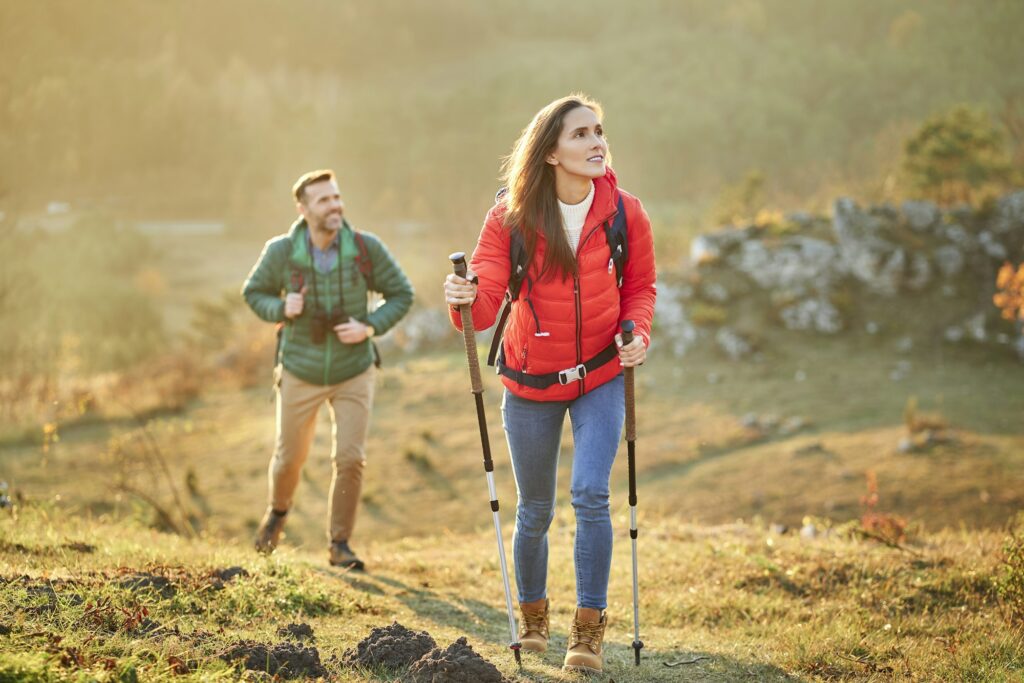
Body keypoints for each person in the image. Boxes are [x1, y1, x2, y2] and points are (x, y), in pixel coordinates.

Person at [443, 95, 656, 673]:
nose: (596, 143)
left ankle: (588, 630)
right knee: (534, 509)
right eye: (581, 135)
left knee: (591, 494)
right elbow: (483, 305)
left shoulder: (624, 211)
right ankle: (533, 617)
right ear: (551, 153)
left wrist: (638, 331)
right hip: (530, 381)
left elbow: (641, 285)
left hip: (601, 376)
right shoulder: (509, 218)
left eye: (599, 131)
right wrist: (461, 299)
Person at [243, 169, 413, 569]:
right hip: (299, 370)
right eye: (324, 200)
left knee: (350, 458)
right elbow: (254, 292)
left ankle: (340, 544)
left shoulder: (365, 248)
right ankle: (278, 513)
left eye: (336, 197)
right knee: (289, 458)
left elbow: (402, 294)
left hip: (354, 370)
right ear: (303, 209)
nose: (334, 205)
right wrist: (280, 308)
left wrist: (369, 326)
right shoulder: (281, 252)